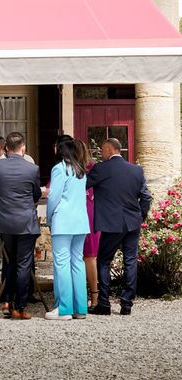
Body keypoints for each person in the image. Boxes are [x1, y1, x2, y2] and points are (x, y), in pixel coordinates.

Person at [0, 132, 42, 319]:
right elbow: (36, 195)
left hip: (5, 222)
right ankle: (20, 307)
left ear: (6, 148)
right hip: (25, 222)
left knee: (9, 261)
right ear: (23, 148)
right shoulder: (32, 168)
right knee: (23, 264)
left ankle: (6, 302)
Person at [87, 138, 152, 316]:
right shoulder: (136, 170)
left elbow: (82, 185)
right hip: (132, 223)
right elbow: (146, 197)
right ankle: (127, 304)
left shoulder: (101, 169)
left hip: (111, 223)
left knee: (104, 261)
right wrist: (140, 216)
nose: (101, 153)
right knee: (130, 261)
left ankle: (104, 304)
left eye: (102, 150)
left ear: (109, 149)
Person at [45, 137, 89, 320]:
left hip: (63, 221)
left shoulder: (59, 168)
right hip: (80, 222)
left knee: (62, 264)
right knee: (77, 263)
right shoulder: (80, 170)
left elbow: (53, 197)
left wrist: (48, 218)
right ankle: (80, 308)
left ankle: (64, 308)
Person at [74, 139, 100, 309]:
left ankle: (94, 296)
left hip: (87, 212)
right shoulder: (91, 168)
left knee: (89, 256)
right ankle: (87, 295)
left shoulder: (90, 169)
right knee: (86, 256)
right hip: (90, 211)